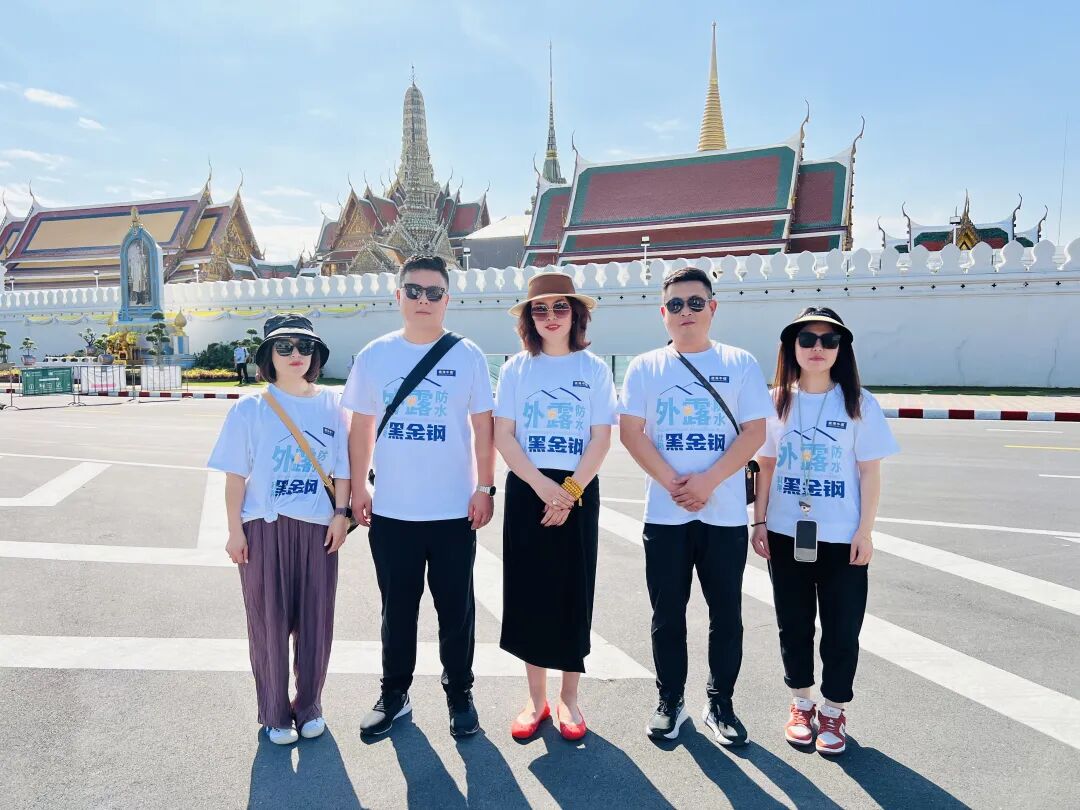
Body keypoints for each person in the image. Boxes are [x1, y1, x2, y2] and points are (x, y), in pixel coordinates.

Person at [343, 254, 495, 738]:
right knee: (397, 611)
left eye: (434, 293)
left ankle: (459, 693)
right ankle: (395, 693)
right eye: (414, 291)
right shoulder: (375, 355)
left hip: (454, 512)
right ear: (398, 296)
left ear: (447, 299)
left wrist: (485, 486)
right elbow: (361, 427)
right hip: (392, 512)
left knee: (456, 611)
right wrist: (359, 485)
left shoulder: (467, 355)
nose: (423, 300)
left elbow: (483, 428)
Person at [619, 266, 773, 744]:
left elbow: (755, 433)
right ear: (663, 313)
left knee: (726, 614)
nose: (687, 311)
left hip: (723, 513)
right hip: (665, 515)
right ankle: (671, 700)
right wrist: (674, 483)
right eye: (677, 304)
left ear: (713, 307)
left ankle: (720, 702)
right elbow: (631, 432)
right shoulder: (645, 366)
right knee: (668, 615)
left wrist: (707, 482)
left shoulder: (740, 362)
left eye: (696, 302)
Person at [752, 306, 898, 756]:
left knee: (841, 629)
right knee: (792, 625)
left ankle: (834, 709)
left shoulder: (859, 404)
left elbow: (869, 474)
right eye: (807, 339)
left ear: (841, 349)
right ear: (791, 347)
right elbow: (767, 467)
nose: (817, 348)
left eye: (828, 340)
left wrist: (866, 532)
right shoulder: (775, 402)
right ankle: (801, 704)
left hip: (841, 537)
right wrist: (758, 522)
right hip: (784, 532)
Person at [208, 313, 352, 746]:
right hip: (264, 528)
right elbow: (235, 477)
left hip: (317, 530)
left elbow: (343, 469)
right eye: (284, 347)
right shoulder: (250, 407)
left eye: (304, 347)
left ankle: (309, 706)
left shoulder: (334, 404)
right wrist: (234, 532)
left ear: (317, 355)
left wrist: (341, 515)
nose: (295, 355)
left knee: (316, 623)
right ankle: (274, 712)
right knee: (267, 623)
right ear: (268, 355)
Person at [494, 272, 617, 742]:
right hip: (529, 488)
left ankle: (570, 699)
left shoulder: (593, 370)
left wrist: (568, 492)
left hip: (578, 489)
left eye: (559, 307)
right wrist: (542, 487)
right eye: (539, 309)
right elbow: (503, 435)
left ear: (576, 314)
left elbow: (601, 438)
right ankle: (536, 698)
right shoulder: (515, 369)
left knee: (572, 591)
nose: (549, 317)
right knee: (528, 593)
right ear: (529, 317)